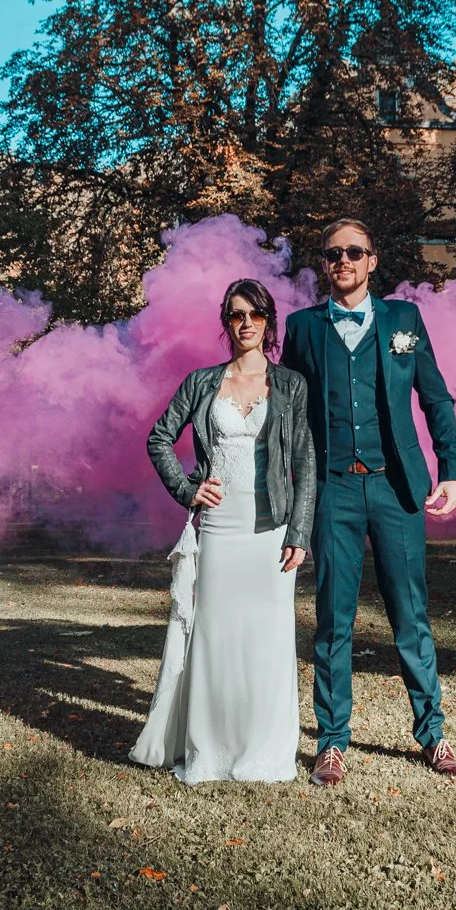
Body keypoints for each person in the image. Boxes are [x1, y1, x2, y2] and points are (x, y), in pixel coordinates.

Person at [281, 219, 456, 787]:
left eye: (353, 252)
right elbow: (288, 412)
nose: (342, 261)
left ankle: (433, 734)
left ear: (372, 261)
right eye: (333, 253)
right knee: (333, 620)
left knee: (409, 614)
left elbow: (435, 397)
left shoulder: (404, 321)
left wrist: (452, 469)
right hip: (332, 489)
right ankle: (332, 742)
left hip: (397, 488)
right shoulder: (302, 327)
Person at [131, 279, 315, 783]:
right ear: (226, 322)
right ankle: (208, 748)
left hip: (271, 530)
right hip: (217, 526)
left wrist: (299, 531)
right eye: (236, 315)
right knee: (213, 637)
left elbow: (305, 461)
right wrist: (186, 490)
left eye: (255, 314)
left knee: (267, 639)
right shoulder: (201, 382)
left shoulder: (291, 385)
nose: (246, 323)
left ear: (269, 322)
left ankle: (263, 750)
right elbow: (160, 437)